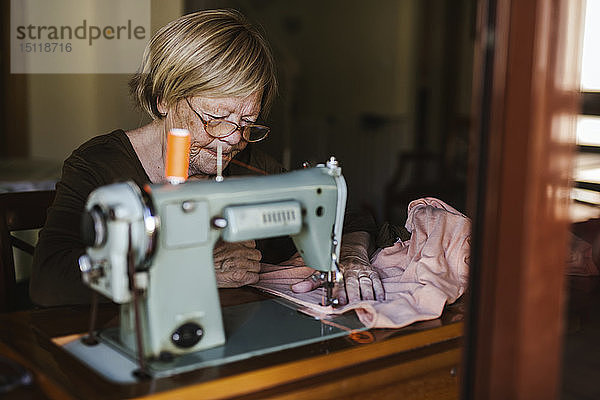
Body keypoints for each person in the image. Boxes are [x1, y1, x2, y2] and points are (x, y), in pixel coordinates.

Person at [30, 9, 383, 307]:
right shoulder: (99, 165)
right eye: (214, 118)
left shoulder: (253, 167)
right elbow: (49, 278)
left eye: (248, 122)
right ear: (164, 99)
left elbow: (348, 220)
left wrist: (350, 256)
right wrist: (190, 268)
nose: (232, 140)